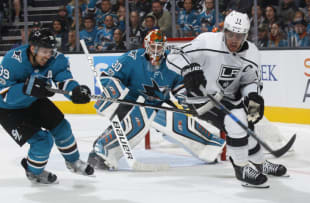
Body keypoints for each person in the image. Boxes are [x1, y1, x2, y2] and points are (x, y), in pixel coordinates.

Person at [166, 11, 287, 188]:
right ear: (225, 31)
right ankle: (241, 168)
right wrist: (188, 69)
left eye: (239, 36)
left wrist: (253, 96)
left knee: (248, 123)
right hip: (202, 97)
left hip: (229, 98)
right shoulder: (207, 42)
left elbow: (251, 80)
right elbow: (173, 57)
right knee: (235, 122)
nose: (234, 39)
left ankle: (260, 164)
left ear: (246, 35)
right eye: (230, 34)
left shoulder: (252, 53)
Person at [87, 29, 225, 170]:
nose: (156, 50)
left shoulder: (173, 62)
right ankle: (102, 150)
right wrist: (112, 93)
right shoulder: (131, 58)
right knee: (134, 123)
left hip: (157, 106)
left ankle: (208, 149)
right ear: (146, 45)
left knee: (177, 122)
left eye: (159, 47)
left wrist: (192, 99)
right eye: (153, 46)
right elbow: (106, 78)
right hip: (129, 103)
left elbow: (181, 91)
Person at [0, 28, 94, 184]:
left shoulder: (57, 60)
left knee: (62, 127)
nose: (48, 55)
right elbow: (4, 95)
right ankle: (34, 172)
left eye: (50, 51)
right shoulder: (12, 61)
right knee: (43, 142)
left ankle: (74, 162)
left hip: (34, 101)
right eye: (44, 51)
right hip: (8, 109)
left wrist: (75, 90)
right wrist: (26, 89)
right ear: (32, 48)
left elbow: (64, 81)